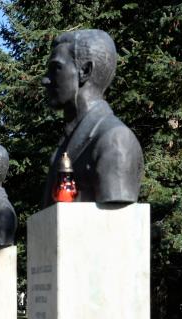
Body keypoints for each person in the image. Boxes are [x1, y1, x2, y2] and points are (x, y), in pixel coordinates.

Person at [41, 29, 144, 207]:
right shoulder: (67, 141)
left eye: (56, 69)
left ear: (85, 71)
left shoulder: (115, 140)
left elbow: (115, 225)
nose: (45, 80)